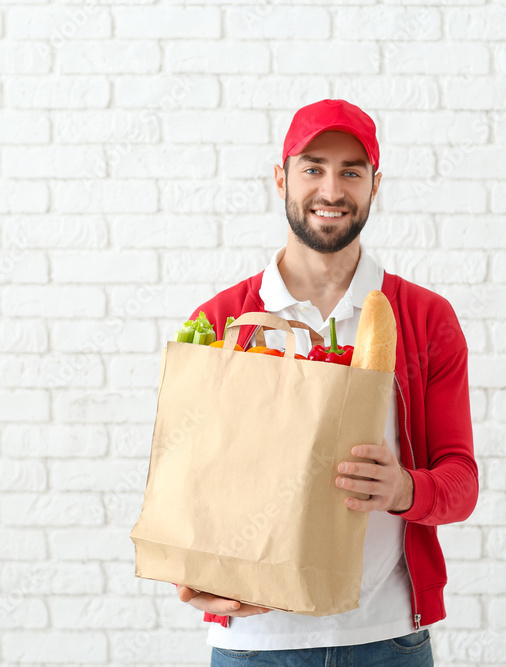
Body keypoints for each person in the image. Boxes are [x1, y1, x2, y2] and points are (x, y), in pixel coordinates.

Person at [176, 99, 478, 666]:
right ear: (280, 177)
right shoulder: (224, 320)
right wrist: (193, 578)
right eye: (313, 168)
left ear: (374, 184)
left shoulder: (423, 318)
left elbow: (461, 479)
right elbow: (191, 489)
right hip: (254, 647)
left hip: (385, 640)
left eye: (351, 171)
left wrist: (404, 489)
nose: (331, 189)